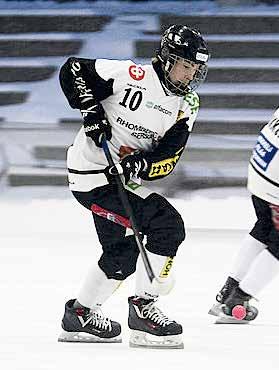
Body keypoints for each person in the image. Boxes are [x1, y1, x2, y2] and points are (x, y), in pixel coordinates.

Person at [58, 24, 209, 347]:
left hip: (121, 180)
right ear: (167, 59)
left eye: (195, 69)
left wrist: (144, 164)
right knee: (167, 226)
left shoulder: (188, 105)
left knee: (122, 253)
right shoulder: (131, 75)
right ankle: (143, 308)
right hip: (93, 176)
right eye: (185, 66)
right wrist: (91, 111)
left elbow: (170, 156)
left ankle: (79, 316)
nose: (190, 75)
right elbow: (73, 69)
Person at [209, 108, 279, 324]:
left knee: (264, 226)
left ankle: (229, 290)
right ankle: (237, 301)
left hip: (261, 172)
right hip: (274, 181)